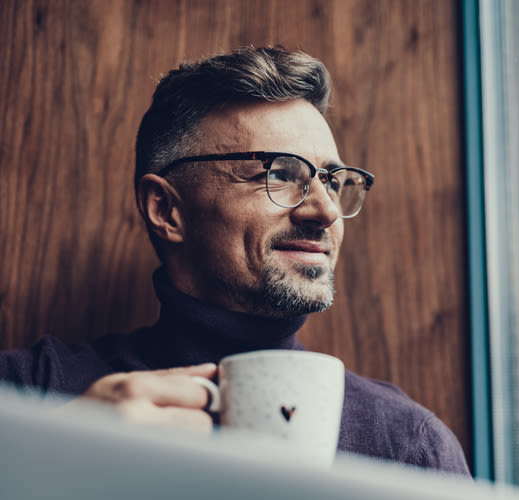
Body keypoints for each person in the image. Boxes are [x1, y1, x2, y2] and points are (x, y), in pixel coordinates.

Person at [0, 46, 470, 476]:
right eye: (279, 173)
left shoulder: (409, 447)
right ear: (167, 209)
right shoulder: (28, 393)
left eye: (330, 179)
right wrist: (44, 465)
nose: (325, 210)